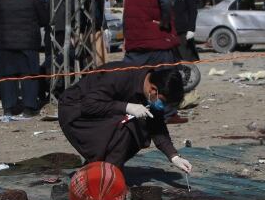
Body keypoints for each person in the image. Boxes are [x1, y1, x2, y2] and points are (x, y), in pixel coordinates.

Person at [58, 65, 192, 173]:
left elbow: (157, 127)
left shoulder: (151, 95)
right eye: (162, 102)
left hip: (102, 113)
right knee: (130, 126)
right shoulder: (119, 76)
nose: (161, 106)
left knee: (141, 129)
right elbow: (89, 105)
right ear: (153, 89)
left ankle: (105, 167)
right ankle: (108, 176)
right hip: (75, 111)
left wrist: (173, 156)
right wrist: (126, 107)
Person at [0, 0, 49, 119]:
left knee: (7, 77)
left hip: (6, 44)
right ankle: (29, 108)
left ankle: (8, 108)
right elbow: (44, 19)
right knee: (29, 75)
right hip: (29, 43)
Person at [163, 0, 199, 71]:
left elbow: (193, 11)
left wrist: (191, 29)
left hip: (183, 31)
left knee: (185, 58)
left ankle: (187, 80)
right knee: (173, 58)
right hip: (171, 30)